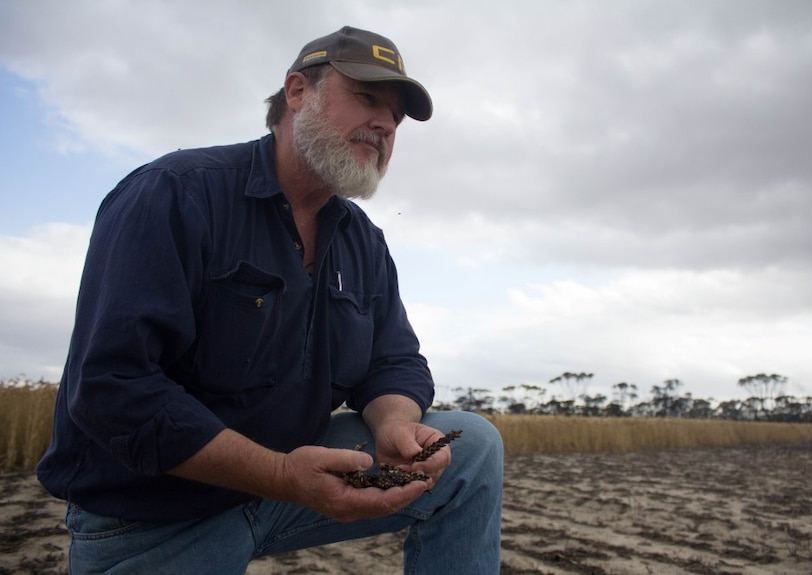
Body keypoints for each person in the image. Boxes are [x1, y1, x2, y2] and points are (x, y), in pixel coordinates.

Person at [37, 26, 503, 574]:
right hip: (153, 518)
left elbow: (393, 361)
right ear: (297, 91)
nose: (384, 124)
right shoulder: (176, 193)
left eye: (396, 117)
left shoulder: (362, 240)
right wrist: (281, 475)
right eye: (367, 98)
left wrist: (394, 424)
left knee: (473, 448)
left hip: (279, 490)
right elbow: (113, 388)